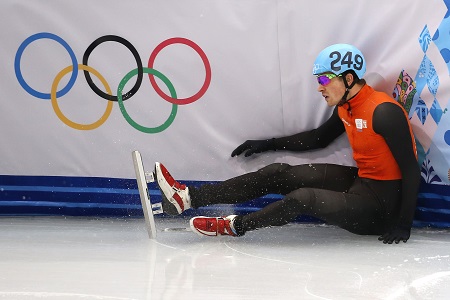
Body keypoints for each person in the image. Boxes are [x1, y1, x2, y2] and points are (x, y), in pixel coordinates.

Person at [154, 44, 420, 244]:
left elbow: (411, 170)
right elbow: (318, 138)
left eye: (325, 79)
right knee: (277, 172)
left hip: (381, 208)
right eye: (319, 81)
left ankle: (235, 226)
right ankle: (186, 198)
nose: (319, 87)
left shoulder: (383, 111)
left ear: (348, 79)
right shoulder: (346, 105)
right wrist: (267, 144)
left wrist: (403, 225)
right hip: (360, 182)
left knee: (303, 198)